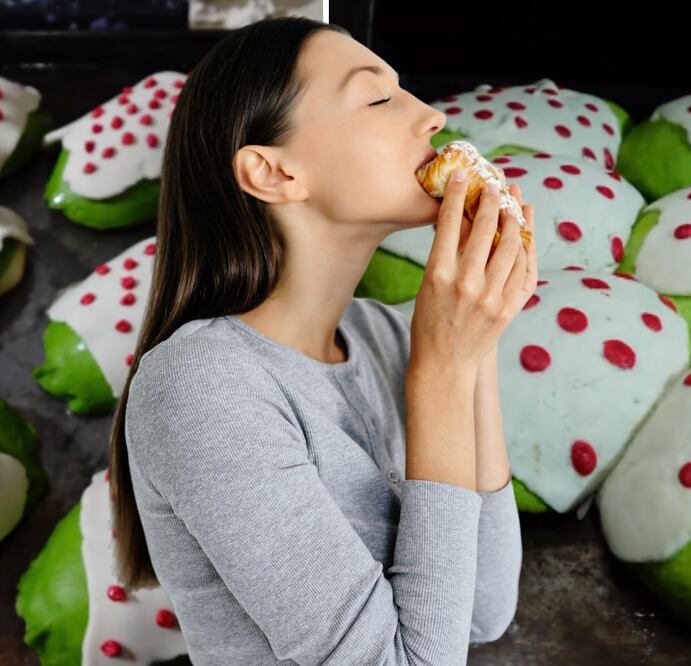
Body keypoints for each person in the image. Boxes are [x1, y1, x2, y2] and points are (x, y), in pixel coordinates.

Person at [105, 15, 537, 664]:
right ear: (274, 174)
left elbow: (484, 611)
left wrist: (478, 342)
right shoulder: (197, 386)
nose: (431, 118)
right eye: (379, 97)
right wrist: (444, 374)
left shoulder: (392, 334)